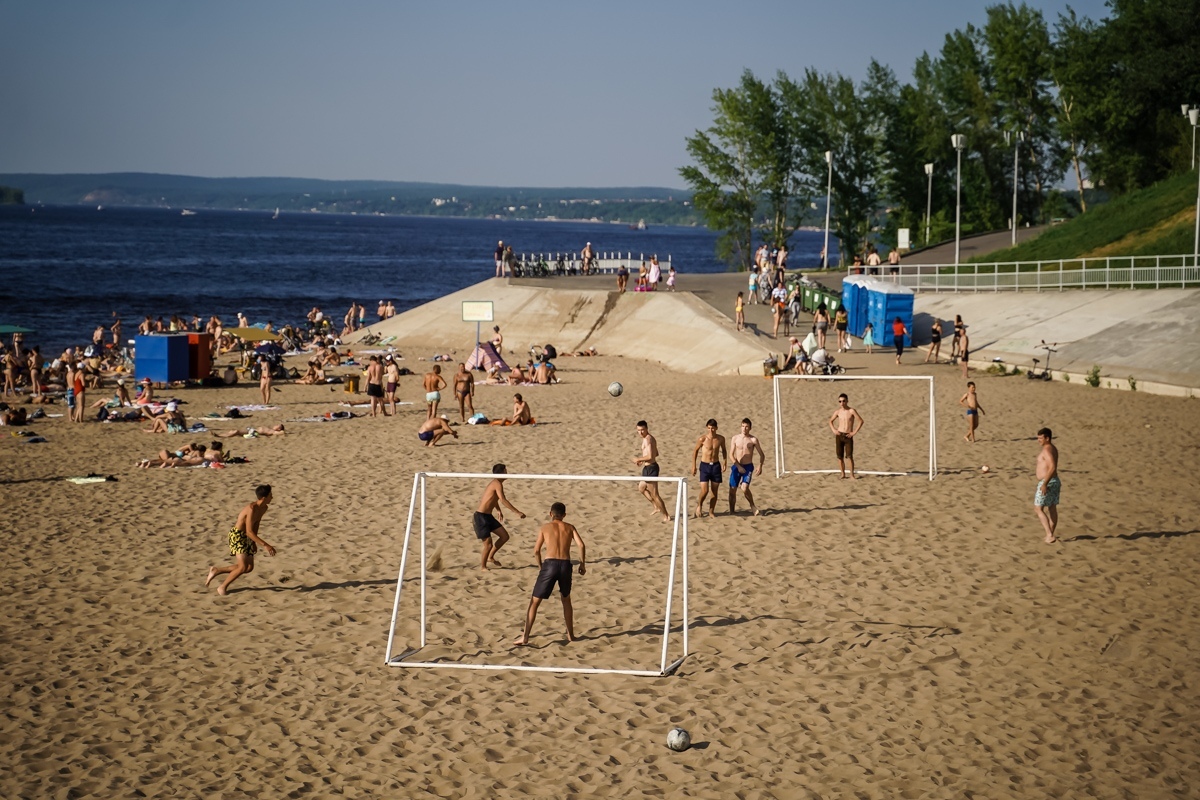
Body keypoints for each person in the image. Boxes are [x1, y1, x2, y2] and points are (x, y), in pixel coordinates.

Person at [515, 502, 586, 646]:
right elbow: (581, 545)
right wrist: (582, 563)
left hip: (550, 564)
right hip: (565, 564)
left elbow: (536, 550)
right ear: (564, 515)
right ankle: (571, 635)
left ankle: (525, 637)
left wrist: (541, 566)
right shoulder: (570, 527)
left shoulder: (545, 528)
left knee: (534, 602)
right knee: (566, 600)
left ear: (550, 514)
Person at [205, 485, 276, 596]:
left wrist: (253, 542)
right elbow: (249, 531)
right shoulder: (252, 509)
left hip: (248, 537)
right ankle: (222, 587)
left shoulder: (264, 508)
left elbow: (256, 524)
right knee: (242, 567)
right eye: (270, 495)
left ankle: (217, 570)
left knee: (248, 568)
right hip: (237, 536)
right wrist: (266, 545)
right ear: (263, 498)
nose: (272, 497)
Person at [474, 464, 526, 570]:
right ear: (501, 473)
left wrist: (498, 510)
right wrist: (517, 512)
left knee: (504, 536)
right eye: (506, 472)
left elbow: (493, 498)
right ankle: (483, 567)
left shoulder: (496, 484)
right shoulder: (496, 483)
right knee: (488, 544)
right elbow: (502, 499)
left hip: (488, 516)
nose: (507, 474)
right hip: (480, 517)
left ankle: (491, 556)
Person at [634, 420, 670, 522]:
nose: (640, 432)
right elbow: (656, 453)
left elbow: (650, 456)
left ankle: (666, 515)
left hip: (651, 468)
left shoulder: (648, 439)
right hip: (647, 467)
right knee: (641, 488)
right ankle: (656, 506)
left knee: (655, 494)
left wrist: (639, 459)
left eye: (642, 430)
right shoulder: (648, 438)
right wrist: (643, 461)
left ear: (647, 429)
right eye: (638, 430)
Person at [690, 418, 727, 518]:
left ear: (716, 428)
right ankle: (699, 505)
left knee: (714, 491)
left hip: (715, 466)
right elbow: (695, 451)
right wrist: (694, 465)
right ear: (707, 428)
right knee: (705, 490)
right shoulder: (702, 439)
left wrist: (725, 462)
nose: (711, 430)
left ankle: (711, 511)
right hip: (705, 466)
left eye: (713, 428)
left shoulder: (720, 439)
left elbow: (724, 450)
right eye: (709, 428)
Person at [727, 418, 765, 515]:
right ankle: (732, 511)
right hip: (737, 466)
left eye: (747, 427)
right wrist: (738, 466)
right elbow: (731, 454)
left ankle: (752, 506)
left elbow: (761, 454)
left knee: (744, 488)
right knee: (732, 489)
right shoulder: (735, 438)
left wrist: (760, 465)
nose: (744, 429)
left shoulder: (753, 440)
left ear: (750, 428)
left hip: (748, 467)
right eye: (743, 426)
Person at [1034, 427, 1061, 544]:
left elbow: (1052, 467)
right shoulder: (1052, 448)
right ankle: (1050, 534)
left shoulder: (1047, 450)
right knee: (1052, 507)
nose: (1039, 440)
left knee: (1038, 508)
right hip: (1054, 480)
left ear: (1047, 438)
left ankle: (1049, 535)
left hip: (1048, 481)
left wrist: (1044, 483)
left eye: (1041, 438)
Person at [828, 393, 865, 479]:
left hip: (848, 435)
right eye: (840, 401)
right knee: (839, 456)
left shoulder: (851, 411)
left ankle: (852, 475)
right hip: (839, 434)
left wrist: (854, 432)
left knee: (849, 456)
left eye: (844, 401)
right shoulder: (838, 412)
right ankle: (843, 474)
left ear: (847, 401)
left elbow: (861, 421)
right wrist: (834, 430)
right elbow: (830, 421)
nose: (842, 403)